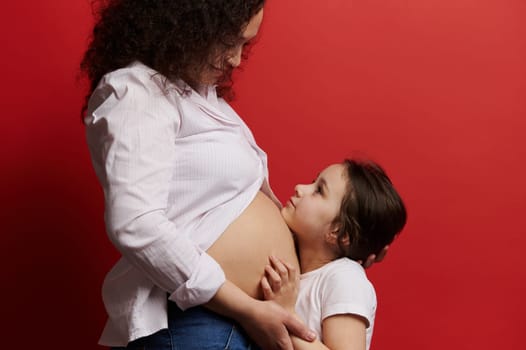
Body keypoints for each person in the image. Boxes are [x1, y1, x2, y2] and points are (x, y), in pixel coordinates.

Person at [80, 1, 385, 349]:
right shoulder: (136, 90)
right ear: (190, 23)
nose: (236, 60)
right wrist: (247, 308)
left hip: (237, 323)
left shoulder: (202, 96)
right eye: (230, 41)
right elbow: (136, 223)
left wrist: (349, 243)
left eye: (245, 45)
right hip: (195, 321)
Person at [260, 159, 407, 350]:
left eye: (319, 190)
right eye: (313, 182)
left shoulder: (345, 277)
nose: (300, 188)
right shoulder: (300, 267)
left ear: (338, 232)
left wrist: (285, 313)